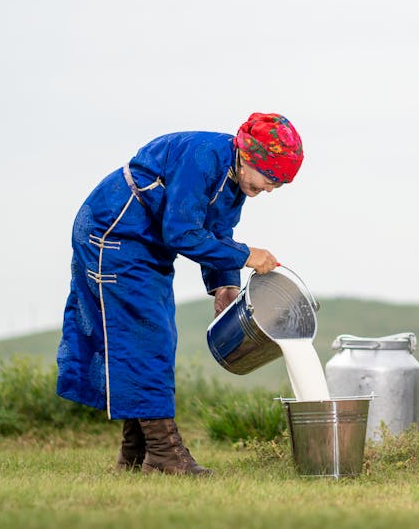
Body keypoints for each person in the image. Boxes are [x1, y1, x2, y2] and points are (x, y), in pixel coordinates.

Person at [55, 113, 303, 476]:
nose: (270, 189)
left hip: (144, 243)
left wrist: (225, 284)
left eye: (279, 185)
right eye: (271, 178)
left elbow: (217, 229)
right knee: (148, 335)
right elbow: (182, 231)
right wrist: (248, 255)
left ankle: (136, 453)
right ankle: (164, 454)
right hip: (113, 233)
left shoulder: (234, 178)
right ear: (251, 156)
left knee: (147, 338)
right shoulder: (202, 158)